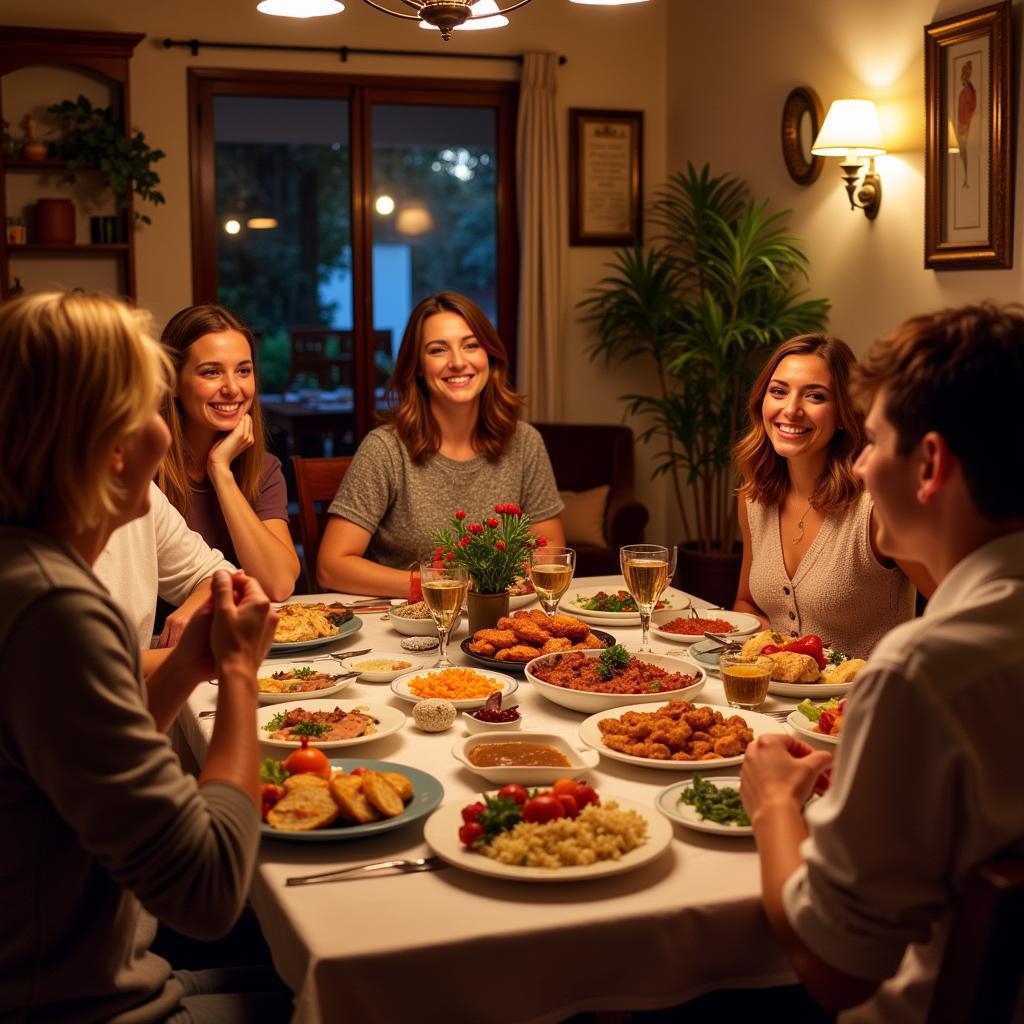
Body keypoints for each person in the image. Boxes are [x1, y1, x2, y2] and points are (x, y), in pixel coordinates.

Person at [0, 291, 288, 1021]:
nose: (165, 432)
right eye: (147, 407)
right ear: (100, 440)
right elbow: (210, 891)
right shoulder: (52, 610)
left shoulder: (31, 568)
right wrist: (238, 677)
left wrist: (190, 663)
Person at [739, 303, 1024, 1022]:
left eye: (875, 440)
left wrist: (774, 798)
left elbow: (835, 970)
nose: (862, 463)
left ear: (929, 464)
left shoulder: (922, 672)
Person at [317, 291, 565, 596]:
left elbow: (551, 548)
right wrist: (442, 586)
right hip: (409, 626)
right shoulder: (385, 449)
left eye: (471, 346)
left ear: (489, 355)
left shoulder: (525, 442)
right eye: (438, 350)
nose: (458, 362)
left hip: (503, 619)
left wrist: (512, 578)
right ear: (418, 366)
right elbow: (331, 566)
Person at [732, 333, 930, 658]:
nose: (791, 410)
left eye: (815, 396)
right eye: (778, 392)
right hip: (772, 701)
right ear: (761, 402)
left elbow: (955, 609)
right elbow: (747, 603)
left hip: (863, 704)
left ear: (843, 413)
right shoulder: (754, 496)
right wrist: (772, 648)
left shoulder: (877, 507)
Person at [158, 304, 299, 601]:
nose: (233, 388)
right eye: (212, 372)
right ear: (172, 382)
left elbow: (279, 584)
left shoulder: (264, 468)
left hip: (235, 635)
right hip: (160, 641)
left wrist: (221, 471)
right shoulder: (143, 468)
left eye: (243, 371)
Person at [95, 482, 236, 675]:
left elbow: (219, 574)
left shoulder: (142, 490)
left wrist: (194, 608)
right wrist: (196, 656)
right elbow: (93, 666)